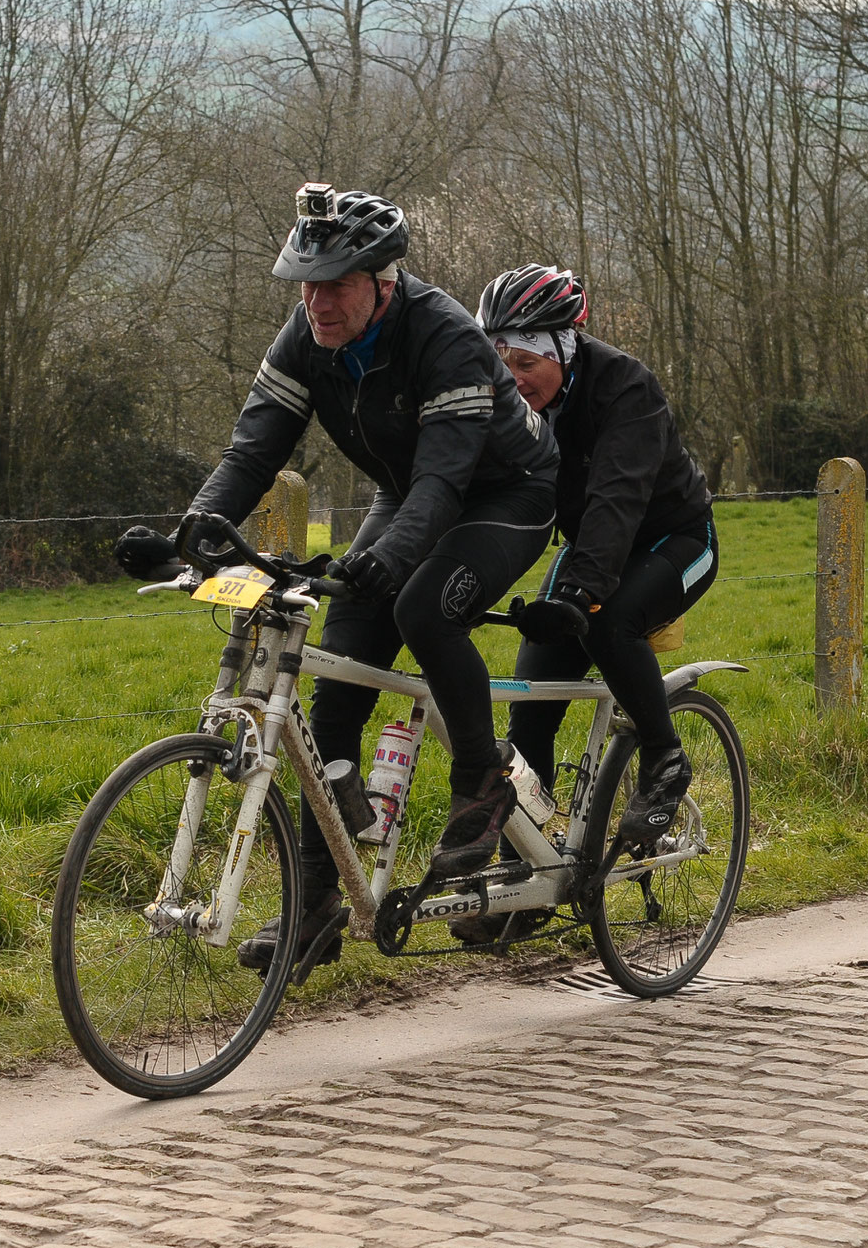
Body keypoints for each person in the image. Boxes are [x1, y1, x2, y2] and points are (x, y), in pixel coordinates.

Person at [114, 185, 559, 974]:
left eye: (336, 285)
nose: (316, 301)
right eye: (305, 283)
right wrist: (194, 538)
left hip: (505, 494)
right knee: (339, 684)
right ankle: (315, 911)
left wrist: (388, 561)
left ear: (384, 282)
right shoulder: (306, 336)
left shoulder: (446, 337)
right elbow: (252, 452)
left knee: (423, 607)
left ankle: (481, 780)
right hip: (408, 489)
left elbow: (445, 482)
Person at [483, 263, 717, 847]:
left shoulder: (625, 387)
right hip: (592, 542)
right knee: (532, 698)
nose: (512, 380)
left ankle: (664, 761)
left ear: (564, 349)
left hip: (675, 538)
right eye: (501, 362)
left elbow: (617, 499)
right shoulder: (506, 403)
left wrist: (576, 594)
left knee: (606, 623)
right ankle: (527, 860)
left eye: (526, 364)